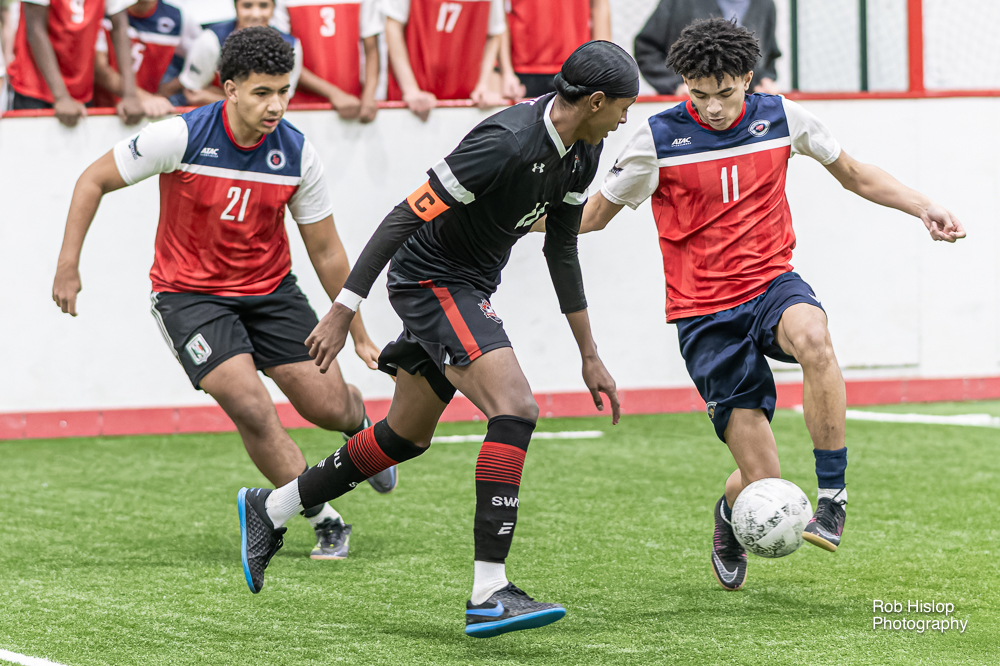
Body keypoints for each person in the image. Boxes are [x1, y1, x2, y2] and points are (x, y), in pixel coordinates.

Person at [237, 41, 637, 637]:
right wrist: (345, 309)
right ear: (597, 101)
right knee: (515, 408)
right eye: (624, 107)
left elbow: (562, 248)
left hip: (468, 286)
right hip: (431, 281)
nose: (626, 120)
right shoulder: (505, 141)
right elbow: (403, 216)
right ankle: (489, 591)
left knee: (404, 436)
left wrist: (590, 353)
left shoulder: (585, 149)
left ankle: (271, 507)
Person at [577, 18, 965, 591]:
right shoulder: (656, 138)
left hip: (770, 285)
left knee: (814, 337)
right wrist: (506, 219)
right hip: (704, 315)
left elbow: (854, 175)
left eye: (724, 93)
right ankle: (728, 515)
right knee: (765, 485)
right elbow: (591, 217)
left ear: (747, 79)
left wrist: (923, 206)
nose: (712, 107)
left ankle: (832, 497)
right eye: (698, 94)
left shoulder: (782, 117)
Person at [51, 26, 398, 563]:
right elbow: (91, 180)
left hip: (272, 292)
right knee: (251, 407)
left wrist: (358, 332)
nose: (276, 105)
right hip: (189, 298)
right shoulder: (180, 135)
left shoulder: (298, 154)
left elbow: (327, 250)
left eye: (283, 91)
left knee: (327, 407)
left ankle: (358, 426)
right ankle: (324, 518)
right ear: (230, 88)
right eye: (262, 92)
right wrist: (68, 265)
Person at [7, 0, 144, 126]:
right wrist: (61, 97)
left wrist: (130, 95)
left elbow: (120, 27)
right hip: (34, 88)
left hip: (80, 88)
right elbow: (35, 29)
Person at [384, 0, 508, 121]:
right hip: (410, 99)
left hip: (467, 100)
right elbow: (392, 26)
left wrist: (483, 85)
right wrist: (410, 90)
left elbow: (495, 33)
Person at [635, 0, 780, 96]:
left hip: (744, 111)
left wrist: (765, 79)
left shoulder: (765, 4)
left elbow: (769, 53)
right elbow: (646, 48)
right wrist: (676, 85)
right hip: (689, 109)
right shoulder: (679, 2)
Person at [272, 0, 382, 122]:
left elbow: (372, 48)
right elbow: (283, 56)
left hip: (353, 104)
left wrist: (369, 95)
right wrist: (334, 94)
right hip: (301, 107)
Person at [177, 0, 302, 107]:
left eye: (263, 5)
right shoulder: (211, 40)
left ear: (273, 8)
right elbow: (192, 94)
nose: (255, 14)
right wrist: (256, 101)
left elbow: (280, 99)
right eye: (247, 6)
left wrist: (215, 97)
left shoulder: (290, 46)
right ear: (236, 7)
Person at [92, 0, 187, 117]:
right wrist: (142, 97)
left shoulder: (177, 16)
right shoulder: (101, 10)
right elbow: (98, 67)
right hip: (98, 111)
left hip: (149, 111)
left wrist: (169, 89)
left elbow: (201, 54)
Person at [501, 0, 611, 99]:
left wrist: (602, 68)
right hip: (522, 70)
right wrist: (506, 72)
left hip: (578, 68)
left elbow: (599, 6)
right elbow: (499, 14)